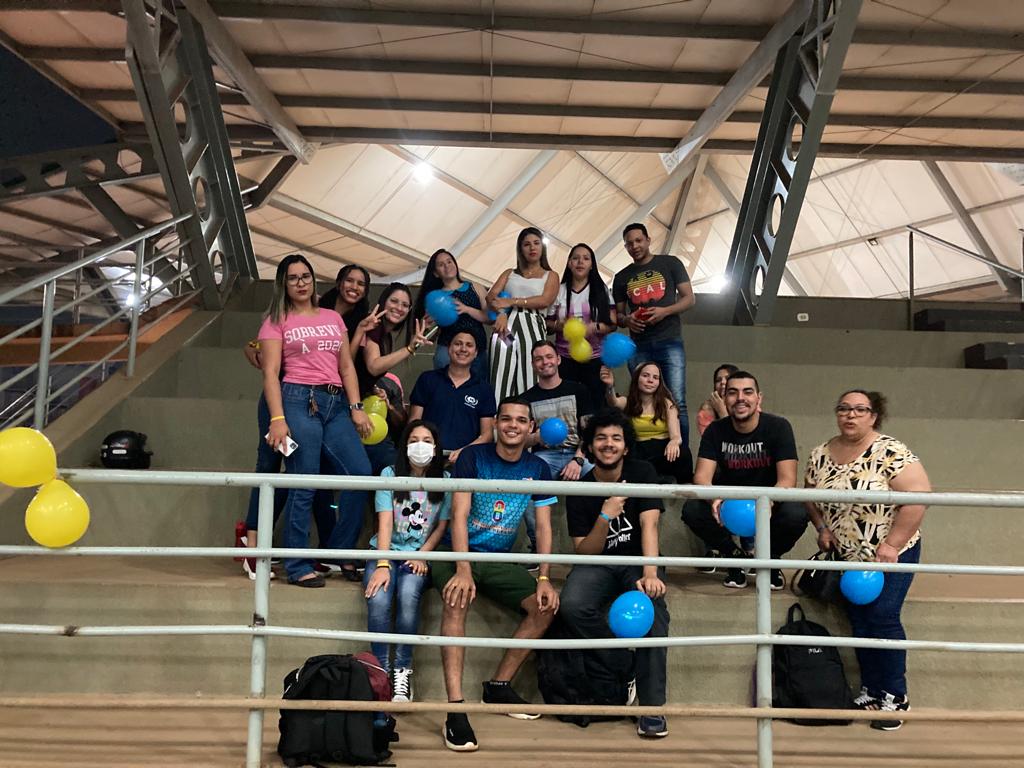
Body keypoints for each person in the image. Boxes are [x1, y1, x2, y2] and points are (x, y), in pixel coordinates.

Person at [434, 398, 559, 752]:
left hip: (499, 559)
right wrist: (463, 568)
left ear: (531, 427)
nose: (513, 425)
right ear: (496, 424)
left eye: (520, 420)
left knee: (544, 607)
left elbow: (544, 528)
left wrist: (545, 577)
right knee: (456, 599)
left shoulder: (538, 468)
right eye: (506, 419)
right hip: (456, 553)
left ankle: (499, 686)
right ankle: (455, 709)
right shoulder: (474, 457)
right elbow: (459, 516)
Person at [804, 390, 930, 731]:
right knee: (859, 621)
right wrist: (821, 527)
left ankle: (895, 696)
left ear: (873, 416)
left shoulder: (890, 450)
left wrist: (892, 544)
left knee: (882, 616)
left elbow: (919, 497)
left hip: (892, 551)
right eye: (844, 408)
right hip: (848, 556)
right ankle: (872, 689)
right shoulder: (820, 453)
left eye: (860, 410)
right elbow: (808, 494)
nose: (850, 415)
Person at [239, 264, 375, 573]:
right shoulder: (276, 321)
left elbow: (346, 366)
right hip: (297, 399)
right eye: (293, 278)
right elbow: (270, 372)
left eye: (305, 277)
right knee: (304, 477)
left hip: (335, 403)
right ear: (283, 284)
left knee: (361, 472)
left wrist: (356, 407)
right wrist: (277, 418)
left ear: (313, 280)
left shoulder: (333, 317)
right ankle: (297, 565)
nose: (300, 283)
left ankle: (338, 552)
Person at [560, 407, 671, 739]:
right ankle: (623, 661)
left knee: (653, 613)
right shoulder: (581, 488)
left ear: (626, 446)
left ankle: (652, 709)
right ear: (590, 446)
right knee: (572, 605)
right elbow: (585, 552)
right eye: (601, 438)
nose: (608, 444)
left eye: (616, 438)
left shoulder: (643, 471)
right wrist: (605, 515)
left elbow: (650, 525)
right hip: (599, 563)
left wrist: (650, 572)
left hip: (638, 559)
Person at [681, 370, 804, 590]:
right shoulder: (715, 430)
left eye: (747, 392)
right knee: (692, 509)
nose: (740, 398)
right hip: (727, 506)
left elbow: (787, 479)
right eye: (732, 392)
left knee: (797, 512)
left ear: (759, 398)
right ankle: (734, 559)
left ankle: (769, 561)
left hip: (769, 504)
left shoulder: (779, 427)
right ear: (724, 398)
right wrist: (714, 499)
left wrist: (768, 503)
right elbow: (701, 477)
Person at [364, 420, 451, 702]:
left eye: (427, 440)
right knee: (378, 599)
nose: (420, 446)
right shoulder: (389, 474)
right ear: (404, 446)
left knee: (408, 595)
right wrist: (382, 564)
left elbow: (441, 526)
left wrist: (422, 554)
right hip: (385, 552)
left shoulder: (446, 480)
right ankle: (381, 672)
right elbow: (385, 522)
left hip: (419, 556)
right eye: (414, 440)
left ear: (436, 447)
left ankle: (402, 671)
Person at [611, 223, 695, 444]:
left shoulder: (670, 263)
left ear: (648, 240)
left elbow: (689, 299)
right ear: (625, 247)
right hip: (638, 345)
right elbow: (618, 316)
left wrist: (665, 311)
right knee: (641, 401)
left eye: (639, 240)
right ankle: (643, 452)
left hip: (670, 340)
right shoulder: (621, 277)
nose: (635, 246)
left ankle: (682, 456)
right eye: (629, 243)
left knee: (677, 401)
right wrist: (628, 320)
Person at [520, 340, 594, 555]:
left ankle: (595, 546)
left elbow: (589, 432)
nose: (545, 362)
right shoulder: (526, 399)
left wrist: (578, 459)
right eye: (539, 359)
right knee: (526, 488)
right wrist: (535, 438)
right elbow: (520, 441)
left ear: (559, 359)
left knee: (599, 481)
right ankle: (538, 546)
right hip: (544, 456)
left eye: (549, 357)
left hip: (578, 454)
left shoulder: (578, 390)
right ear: (533, 365)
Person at [487, 227, 559, 401]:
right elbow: (491, 296)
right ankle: (498, 413)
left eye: (536, 243)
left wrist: (512, 301)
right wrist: (501, 313)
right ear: (520, 249)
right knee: (501, 370)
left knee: (529, 372)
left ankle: (528, 414)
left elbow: (545, 300)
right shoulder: (509, 273)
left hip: (532, 325)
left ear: (542, 247)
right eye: (526, 244)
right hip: (506, 327)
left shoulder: (551, 275)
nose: (532, 248)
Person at [545, 243, 616, 409]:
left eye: (586, 258)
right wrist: (560, 326)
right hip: (565, 359)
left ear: (592, 265)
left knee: (596, 405)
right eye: (575, 258)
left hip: (595, 359)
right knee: (566, 406)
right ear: (569, 263)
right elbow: (546, 325)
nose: (580, 262)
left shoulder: (601, 290)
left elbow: (613, 324)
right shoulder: (559, 291)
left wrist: (594, 327)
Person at [409, 330, 496, 464]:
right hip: (427, 457)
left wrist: (465, 452)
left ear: (476, 353)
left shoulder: (484, 389)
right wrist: (422, 449)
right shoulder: (427, 379)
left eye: (469, 345)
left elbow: (487, 434)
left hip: (465, 461)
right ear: (449, 349)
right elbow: (414, 421)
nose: (463, 349)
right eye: (458, 344)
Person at [600, 361, 692, 485]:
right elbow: (613, 402)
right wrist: (610, 386)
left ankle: (683, 487)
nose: (650, 380)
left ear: (659, 383)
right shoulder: (628, 402)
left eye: (655, 377)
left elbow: (676, 436)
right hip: (639, 451)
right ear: (637, 378)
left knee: (683, 453)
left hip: (663, 450)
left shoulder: (666, 403)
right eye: (645, 375)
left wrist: (674, 442)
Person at [413, 248, 490, 380]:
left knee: (478, 389)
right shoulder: (434, 298)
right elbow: (429, 338)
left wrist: (467, 309)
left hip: (477, 350)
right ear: (436, 273)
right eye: (441, 264)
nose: (447, 266)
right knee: (446, 388)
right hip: (447, 352)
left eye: (449, 261)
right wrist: (427, 327)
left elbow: (490, 318)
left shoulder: (475, 287)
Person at [697, 363, 737, 436]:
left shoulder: (746, 406)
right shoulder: (707, 410)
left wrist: (723, 412)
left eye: (728, 378)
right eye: (718, 380)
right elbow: (710, 439)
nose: (723, 382)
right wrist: (722, 412)